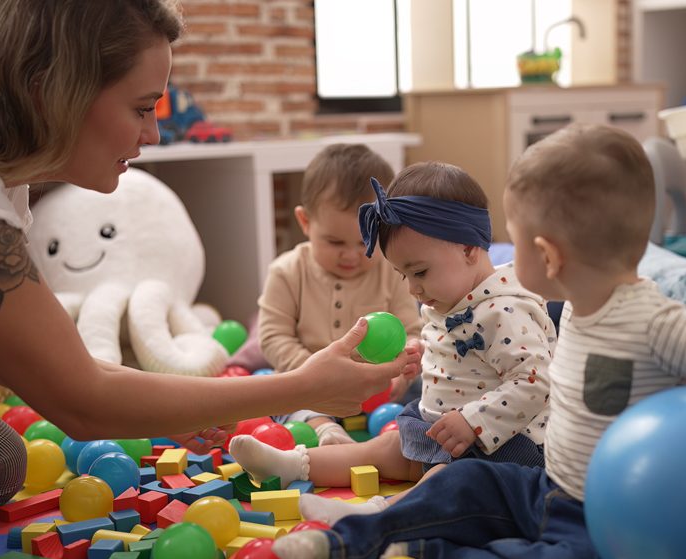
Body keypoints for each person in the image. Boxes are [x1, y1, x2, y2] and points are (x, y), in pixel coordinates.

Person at [0, 0, 415, 559]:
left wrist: (172, 404)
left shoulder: (1, 168)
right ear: (53, 91)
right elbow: (80, 400)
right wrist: (297, 387)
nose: (153, 133)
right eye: (140, 108)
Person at [270, 124, 686, 559]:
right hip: (545, 485)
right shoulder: (575, 302)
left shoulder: (654, 320)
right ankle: (345, 546)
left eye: (515, 241)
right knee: (463, 482)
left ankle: (423, 558)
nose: (501, 257)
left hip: (614, 527)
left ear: (547, 256)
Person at [232, 161, 556, 525]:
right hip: (442, 430)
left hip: (502, 446)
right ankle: (293, 464)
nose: (411, 289)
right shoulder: (450, 294)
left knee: (451, 480)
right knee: (385, 447)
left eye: (419, 272)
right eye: (403, 275)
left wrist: (473, 421)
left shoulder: (505, 310)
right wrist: (419, 355)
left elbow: (535, 382)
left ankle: (375, 515)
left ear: (468, 249)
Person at [257, 143, 423, 446]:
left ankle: (407, 435)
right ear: (305, 222)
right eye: (334, 242)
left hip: (378, 388)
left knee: (428, 389)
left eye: (364, 242)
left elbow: (413, 331)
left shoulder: (392, 271)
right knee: (283, 399)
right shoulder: (287, 272)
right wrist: (312, 375)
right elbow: (273, 337)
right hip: (311, 386)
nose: (351, 255)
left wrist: (403, 368)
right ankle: (327, 432)